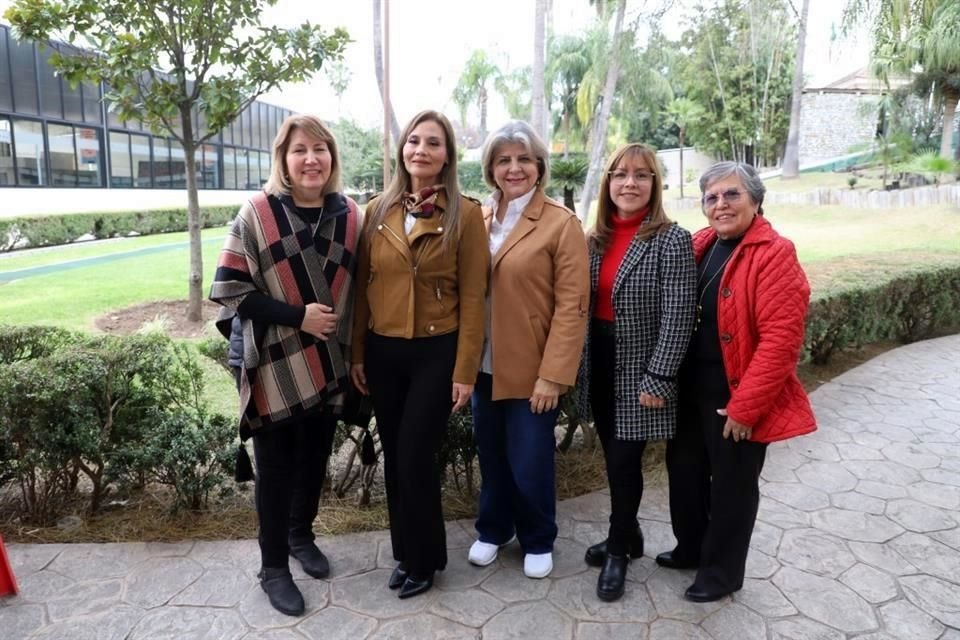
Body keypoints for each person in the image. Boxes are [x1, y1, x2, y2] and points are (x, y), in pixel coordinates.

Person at [209, 114, 362, 617]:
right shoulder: (257, 211)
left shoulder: (349, 216)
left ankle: (301, 535)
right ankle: (273, 566)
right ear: (283, 158)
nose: (311, 158)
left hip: (326, 360)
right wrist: (299, 317)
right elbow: (232, 290)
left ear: (332, 159)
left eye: (320, 149)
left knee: (316, 457)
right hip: (272, 360)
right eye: (300, 149)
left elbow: (362, 290)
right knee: (275, 469)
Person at [659, 161, 817, 602]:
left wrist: (747, 408)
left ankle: (722, 571)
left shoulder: (775, 252)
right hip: (691, 389)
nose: (720, 204)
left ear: (755, 200)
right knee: (685, 472)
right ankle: (691, 547)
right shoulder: (701, 243)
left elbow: (781, 341)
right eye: (711, 197)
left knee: (731, 486)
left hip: (736, 393)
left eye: (732, 195)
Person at [350, 110, 489, 599]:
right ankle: (406, 552)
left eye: (433, 143)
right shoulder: (376, 211)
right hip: (384, 352)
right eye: (414, 141)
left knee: (414, 455)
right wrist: (358, 354)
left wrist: (466, 369)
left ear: (447, 154)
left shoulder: (466, 214)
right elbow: (363, 289)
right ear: (402, 149)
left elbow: (474, 297)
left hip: (437, 350)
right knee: (396, 459)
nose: (421, 150)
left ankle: (427, 560)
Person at [468, 120, 589, 580]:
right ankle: (494, 529)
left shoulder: (561, 223)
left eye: (523, 159)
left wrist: (553, 375)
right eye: (503, 160)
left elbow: (572, 307)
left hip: (532, 369)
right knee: (492, 454)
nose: (513, 168)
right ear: (491, 168)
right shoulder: (477, 218)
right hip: (482, 366)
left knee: (530, 460)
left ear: (539, 166)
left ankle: (537, 537)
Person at [577, 143, 696, 602]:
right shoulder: (594, 239)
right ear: (608, 183)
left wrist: (660, 376)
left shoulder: (671, 239)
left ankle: (619, 550)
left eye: (642, 175)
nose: (630, 183)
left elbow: (679, 314)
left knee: (625, 463)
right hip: (601, 362)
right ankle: (632, 534)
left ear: (654, 185)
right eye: (621, 174)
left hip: (641, 370)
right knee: (613, 457)